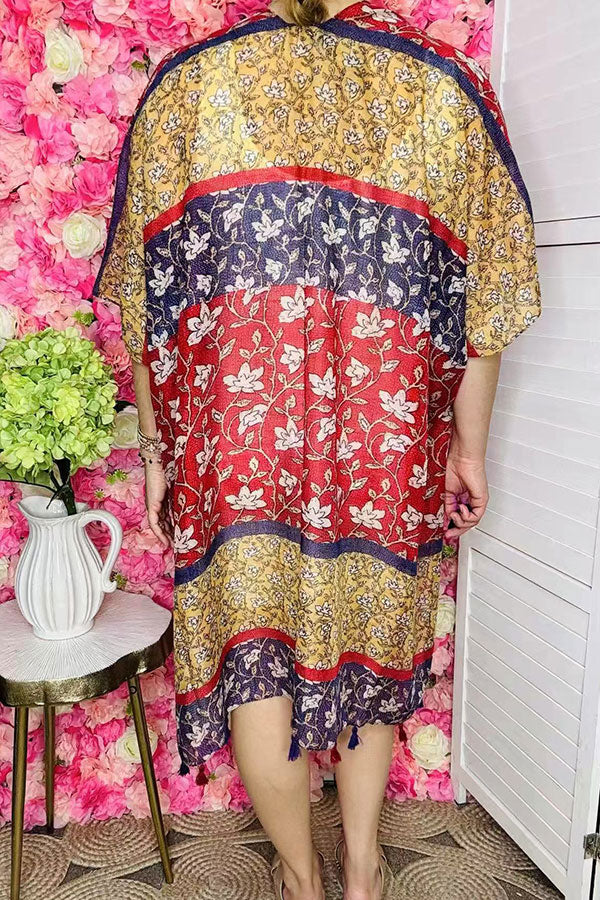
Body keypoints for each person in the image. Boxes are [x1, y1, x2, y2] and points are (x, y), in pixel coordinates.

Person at [92, 0, 542, 896]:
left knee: (254, 653)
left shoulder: (187, 87)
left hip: (234, 443)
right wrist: (470, 449)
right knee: (372, 635)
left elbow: (147, 307)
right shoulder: (444, 86)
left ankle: (302, 881)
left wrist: (155, 453)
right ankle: (364, 872)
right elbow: (486, 303)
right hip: (384, 437)